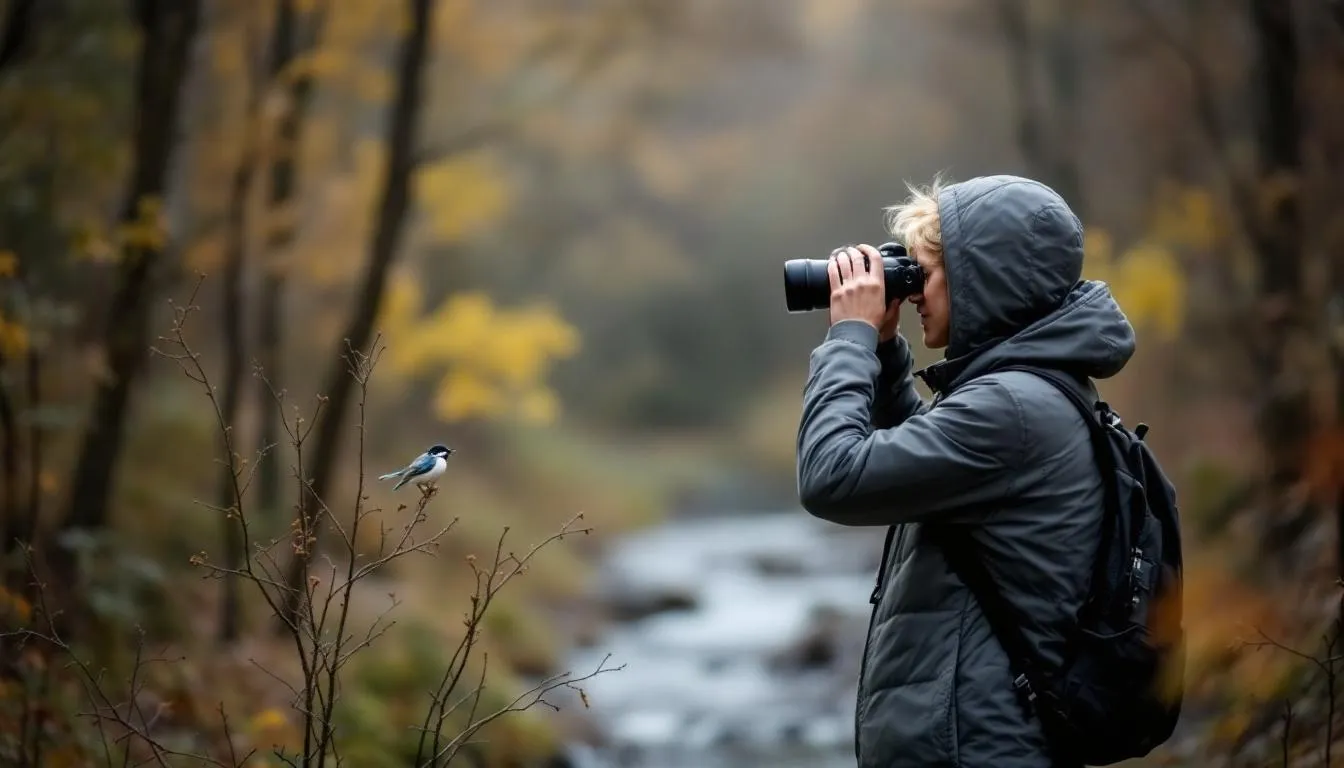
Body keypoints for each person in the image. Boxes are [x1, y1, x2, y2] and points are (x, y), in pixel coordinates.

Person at [795, 174, 1137, 767]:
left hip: (978, 745)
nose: (916, 294)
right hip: (981, 737)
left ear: (983, 283)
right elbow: (923, 474)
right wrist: (880, 352)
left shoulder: (1012, 407)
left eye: (923, 274)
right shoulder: (1027, 394)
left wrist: (847, 339)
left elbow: (832, 476)